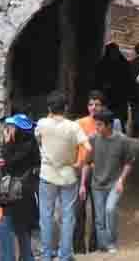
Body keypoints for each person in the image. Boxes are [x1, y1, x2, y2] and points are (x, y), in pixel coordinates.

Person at [34, 92, 86, 261]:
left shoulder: (42, 123)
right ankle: (65, 255)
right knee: (68, 216)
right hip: (68, 175)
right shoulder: (73, 126)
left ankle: (47, 255)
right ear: (66, 107)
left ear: (49, 108)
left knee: (46, 216)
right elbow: (88, 147)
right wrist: (79, 163)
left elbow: (38, 139)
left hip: (47, 174)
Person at [0, 114, 39, 261]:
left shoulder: (25, 146)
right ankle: (26, 257)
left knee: (7, 225)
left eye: (11, 127)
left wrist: (6, 144)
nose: (8, 130)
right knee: (21, 228)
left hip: (18, 192)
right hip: (21, 192)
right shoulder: (28, 143)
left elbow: (11, 163)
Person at [89, 110, 139, 254]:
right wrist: (82, 184)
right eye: (96, 125)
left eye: (99, 125)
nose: (97, 128)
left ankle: (111, 243)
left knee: (110, 210)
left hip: (114, 184)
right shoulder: (93, 138)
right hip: (96, 184)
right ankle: (102, 247)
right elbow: (87, 161)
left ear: (109, 125)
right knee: (99, 219)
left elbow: (129, 162)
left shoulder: (122, 140)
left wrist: (121, 180)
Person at [75, 91, 110, 251]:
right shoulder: (79, 123)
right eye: (90, 104)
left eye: (97, 104)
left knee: (99, 213)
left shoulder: (108, 124)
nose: (93, 108)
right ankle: (79, 248)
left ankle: (96, 246)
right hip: (81, 170)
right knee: (78, 212)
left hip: (100, 173)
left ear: (102, 106)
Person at [96, 44, 133, 130]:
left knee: (118, 121)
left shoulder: (124, 64)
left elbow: (129, 82)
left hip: (119, 98)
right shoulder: (103, 64)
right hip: (108, 98)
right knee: (107, 119)